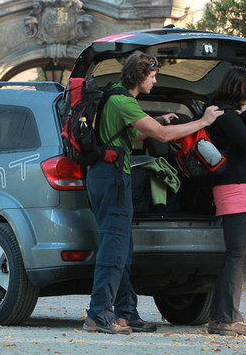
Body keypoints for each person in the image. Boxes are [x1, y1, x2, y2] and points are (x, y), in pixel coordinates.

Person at [83, 51, 224, 335]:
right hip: (111, 178)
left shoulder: (119, 99)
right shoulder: (122, 100)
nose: (155, 80)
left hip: (106, 176)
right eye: (153, 75)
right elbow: (162, 136)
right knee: (114, 248)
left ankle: (125, 313)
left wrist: (159, 119)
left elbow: (134, 134)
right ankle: (98, 314)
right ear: (139, 76)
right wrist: (203, 122)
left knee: (123, 249)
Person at [205, 67, 246, 336]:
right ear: (242, 90)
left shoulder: (220, 113)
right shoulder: (226, 115)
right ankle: (228, 319)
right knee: (238, 255)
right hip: (235, 189)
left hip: (236, 188)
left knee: (241, 255)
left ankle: (219, 317)